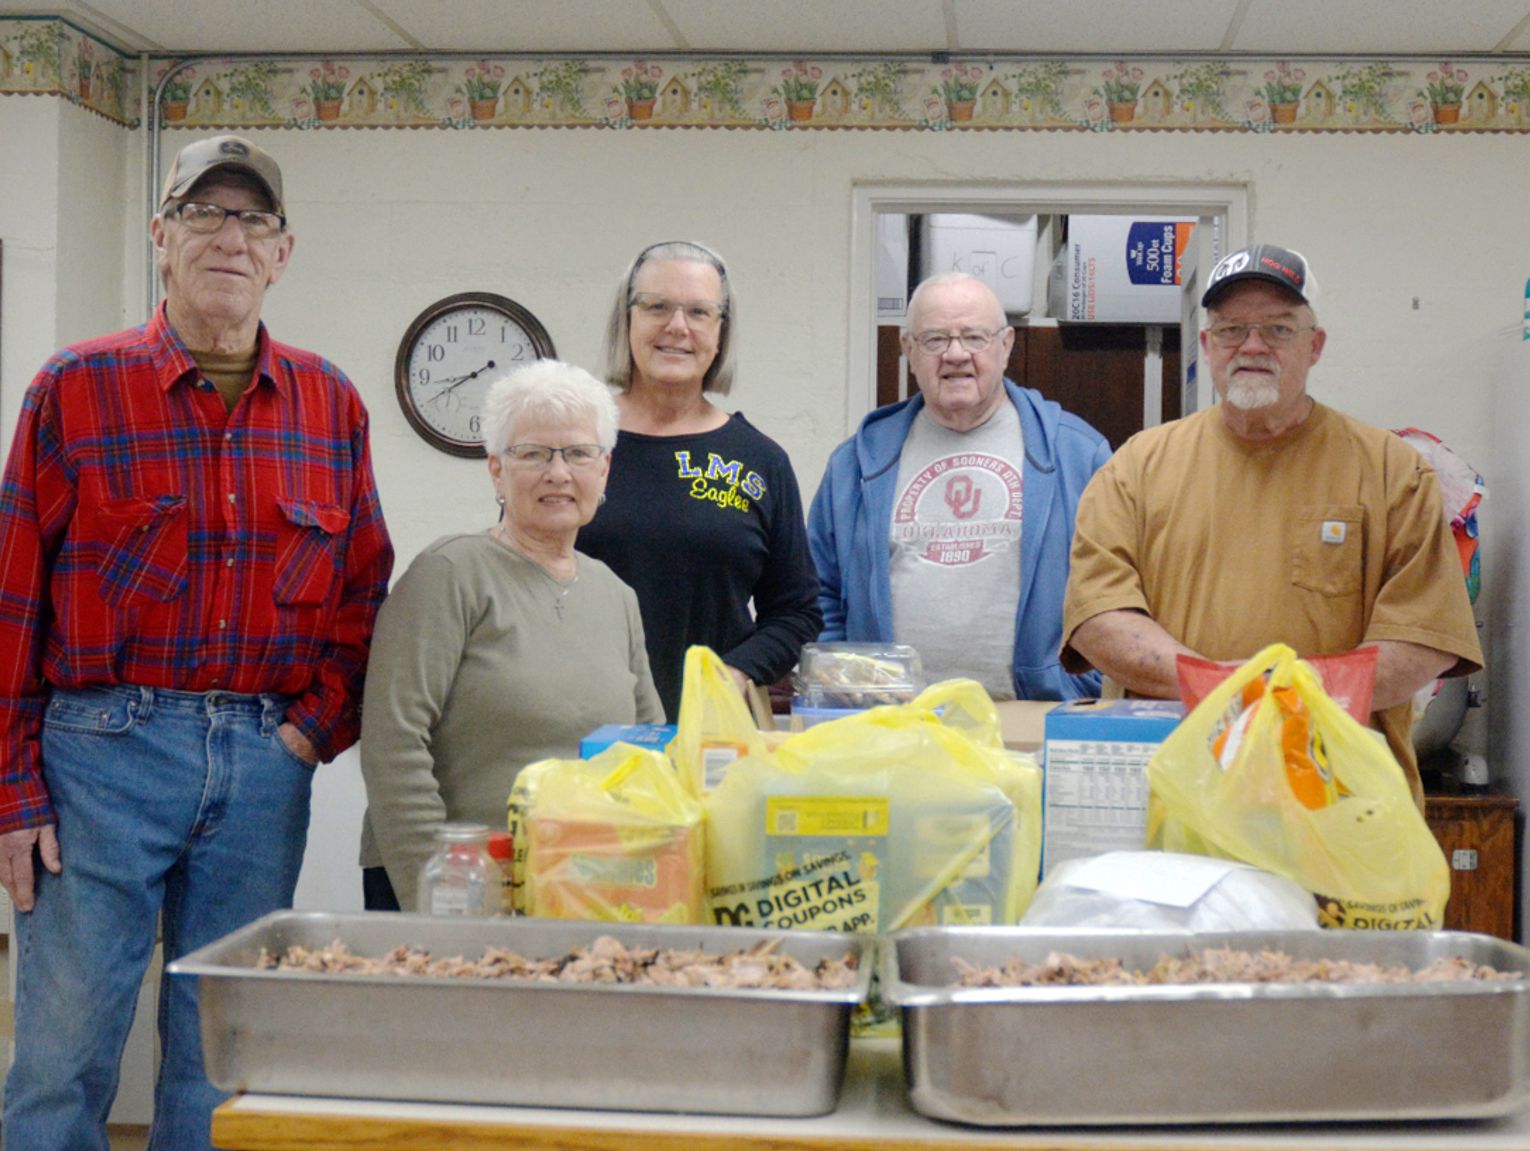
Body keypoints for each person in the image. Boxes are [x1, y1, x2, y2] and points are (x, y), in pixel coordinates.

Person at [0, 135, 393, 1150]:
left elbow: (363, 587)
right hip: (99, 756)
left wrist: (313, 729)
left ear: (283, 250)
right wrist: (12, 790)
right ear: (160, 236)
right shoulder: (74, 386)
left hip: (266, 761)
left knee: (226, 1053)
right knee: (63, 1054)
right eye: (205, 215)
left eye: (252, 219)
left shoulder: (330, 402)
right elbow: (12, 598)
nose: (230, 236)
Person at [1061, 243, 1482, 808]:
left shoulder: (1391, 470)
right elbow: (1098, 619)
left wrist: (1271, 696)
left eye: (1279, 329)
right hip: (1181, 794)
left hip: (1338, 797)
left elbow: (1422, 641)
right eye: (1233, 329)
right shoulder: (1136, 467)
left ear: (1315, 345)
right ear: (1208, 346)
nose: (1253, 346)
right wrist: (1223, 685)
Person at [359, 360, 662, 912]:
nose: (558, 472)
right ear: (496, 470)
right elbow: (393, 741)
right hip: (463, 889)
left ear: (604, 469)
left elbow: (646, 749)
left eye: (577, 453)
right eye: (533, 454)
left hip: (583, 887)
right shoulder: (450, 573)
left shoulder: (616, 595)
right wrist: (440, 888)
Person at [808, 272, 1110, 701]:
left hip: (1033, 719)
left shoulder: (1078, 454)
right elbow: (819, 592)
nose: (955, 354)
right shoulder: (854, 464)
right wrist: (849, 683)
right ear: (907, 349)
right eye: (934, 340)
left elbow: (1118, 590)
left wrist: (1081, 685)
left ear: (1006, 346)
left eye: (974, 337)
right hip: (892, 727)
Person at [576, 240, 821, 718]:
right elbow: (520, 575)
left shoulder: (759, 460)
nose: (677, 327)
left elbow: (798, 612)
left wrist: (738, 671)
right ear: (627, 319)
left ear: (720, 331)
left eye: (698, 312)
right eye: (657, 307)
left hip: (713, 730)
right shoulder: (575, 442)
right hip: (584, 722)